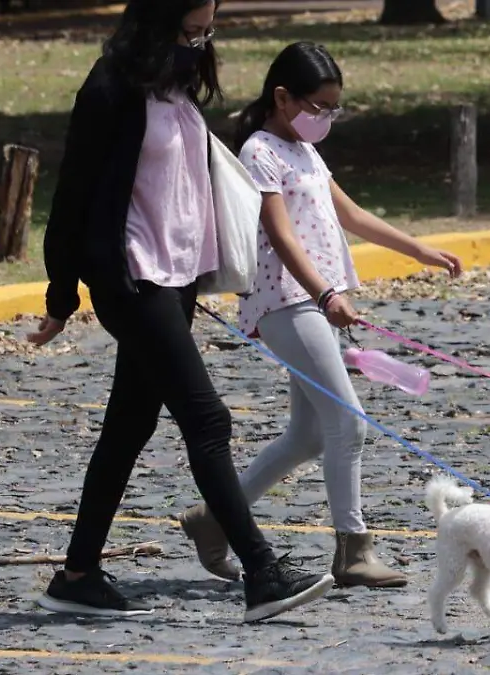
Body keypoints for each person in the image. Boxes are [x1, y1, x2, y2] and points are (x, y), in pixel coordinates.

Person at [26, 1, 334, 623]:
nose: (199, 43)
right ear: (156, 22)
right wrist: (62, 295)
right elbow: (75, 191)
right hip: (131, 280)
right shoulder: (110, 86)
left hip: (176, 280)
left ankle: (77, 574)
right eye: (189, 30)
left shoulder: (176, 89)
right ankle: (261, 572)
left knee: (127, 428)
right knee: (208, 418)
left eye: (207, 31)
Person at [178, 41, 463, 588]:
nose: (326, 119)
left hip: (312, 300)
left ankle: (214, 520)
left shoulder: (302, 149)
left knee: (309, 435)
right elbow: (281, 236)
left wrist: (419, 250)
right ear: (283, 98)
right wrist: (328, 294)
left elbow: (349, 212)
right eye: (319, 108)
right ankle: (352, 551)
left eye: (334, 109)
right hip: (287, 300)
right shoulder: (260, 151)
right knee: (347, 421)